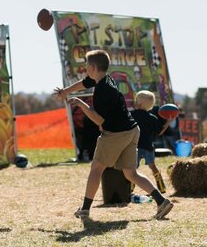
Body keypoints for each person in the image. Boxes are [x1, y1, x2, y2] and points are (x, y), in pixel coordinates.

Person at [54, 50, 173, 220]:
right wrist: (66, 91)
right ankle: (162, 201)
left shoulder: (102, 91)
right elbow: (85, 82)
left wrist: (80, 104)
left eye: (87, 65)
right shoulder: (105, 79)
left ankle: (85, 209)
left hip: (116, 134)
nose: (86, 68)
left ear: (93, 67)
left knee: (96, 168)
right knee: (131, 173)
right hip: (132, 131)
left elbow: (98, 120)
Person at [131, 90, 171, 193]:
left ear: (138, 103)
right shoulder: (153, 118)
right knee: (152, 166)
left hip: (136, 146)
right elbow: (160, 132)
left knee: (132, 169)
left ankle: (129, 190)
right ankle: (162, 187)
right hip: (148, 146)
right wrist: (168, 122)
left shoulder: (131, 115)